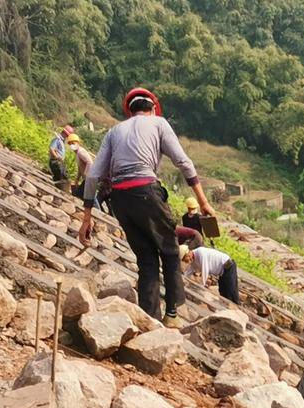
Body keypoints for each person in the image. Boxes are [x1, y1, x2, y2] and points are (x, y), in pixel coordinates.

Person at [78, 87, 214, 327]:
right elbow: (183, 162)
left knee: (147, 259)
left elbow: (92, 176)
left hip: (120, 201)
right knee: (170, 250)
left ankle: (149, 318)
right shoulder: (159, 124)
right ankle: (172, 314)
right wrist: (203, 201)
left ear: (130, 112)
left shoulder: (113, 132)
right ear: (152, 109)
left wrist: (86, 218)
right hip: (146, 192)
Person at [67, 133, 93, 201]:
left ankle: (97, 211)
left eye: (73, 143)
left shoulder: (80, 152)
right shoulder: (77, 153)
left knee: (87, 197)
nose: (71, 145)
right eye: (70, 144)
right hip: (87, 179)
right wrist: (77, 179)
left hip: (89, 178)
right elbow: (80, 168)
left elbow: (89, 162)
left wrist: (86, 173)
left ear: (77, 143)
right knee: (83, 195)